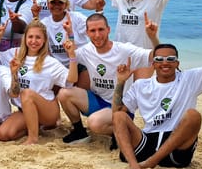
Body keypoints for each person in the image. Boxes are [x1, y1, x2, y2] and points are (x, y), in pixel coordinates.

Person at [112, 7, 202, 169]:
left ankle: (151, 162)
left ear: (177, 63)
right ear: (153, 63)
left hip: (177, 146)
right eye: (159, 59)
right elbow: (117, 112)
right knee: (118, 117)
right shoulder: (141, 85)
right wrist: (121, 82)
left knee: (193, 115)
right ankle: (135, 167)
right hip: (147, 142)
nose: (165, 62)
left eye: (170, 59)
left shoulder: (189, 78)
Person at [57, 13, 158, 144]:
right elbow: (72, 53)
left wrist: (153, 37)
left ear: (108, 30)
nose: (97, 35)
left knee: (94, 123)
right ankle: (79, 132)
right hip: (98, 101)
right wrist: (70, 33)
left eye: (101, 29)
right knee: (64, 94)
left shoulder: (124, 49)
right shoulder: (87, 51)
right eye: (92, 31)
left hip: (120, 108)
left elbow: (155, 56)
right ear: (87, 33)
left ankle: (121, 131)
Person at [0, 20, 78, 145]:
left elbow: (71, 79)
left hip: (47, 111)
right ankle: (34, 126)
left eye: (38, 37)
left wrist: (72, 55)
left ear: (44, 40)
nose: (33, 41)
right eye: (30, 37)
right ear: (25, 38)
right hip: (24, 109)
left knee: (26, 93)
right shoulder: (14, 54)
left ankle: (33, 138)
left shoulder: (49, 62)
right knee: (4, 134)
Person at [39, 0, 91, 88]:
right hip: (58, 67)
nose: (56, 6)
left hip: (79, 63)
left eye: (60, 3)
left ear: (66, 4)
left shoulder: (77, 18)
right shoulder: (44, 24)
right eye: (53, 2)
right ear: (48, 4)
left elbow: (95, 34)